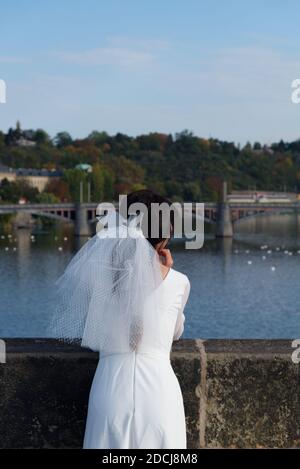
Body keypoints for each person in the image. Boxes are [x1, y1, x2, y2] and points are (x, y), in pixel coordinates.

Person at [51, 189, 191, 449]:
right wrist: (164, 271)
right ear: (165, 231)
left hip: (110, 386)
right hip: (159, 393)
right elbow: (174, 332)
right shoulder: (179, 282)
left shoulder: (98, 280)